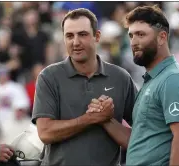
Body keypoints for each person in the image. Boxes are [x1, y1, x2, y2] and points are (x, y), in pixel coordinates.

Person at [87, 5, 179, 166]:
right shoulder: (154, 79)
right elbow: (142, 139)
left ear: (162, 37)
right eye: (131, 35)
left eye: (141, 34)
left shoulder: (173, 79)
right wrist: (105, 119)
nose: (134, 42)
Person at [31, 8, 137, 165]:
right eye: (69, 36)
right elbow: (45, 132)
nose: (76, 42)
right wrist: (90, 119)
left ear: (97, 36)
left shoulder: (120, 78)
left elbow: (142, 134)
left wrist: (107, 120)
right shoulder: (49, 77)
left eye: (82, 34)